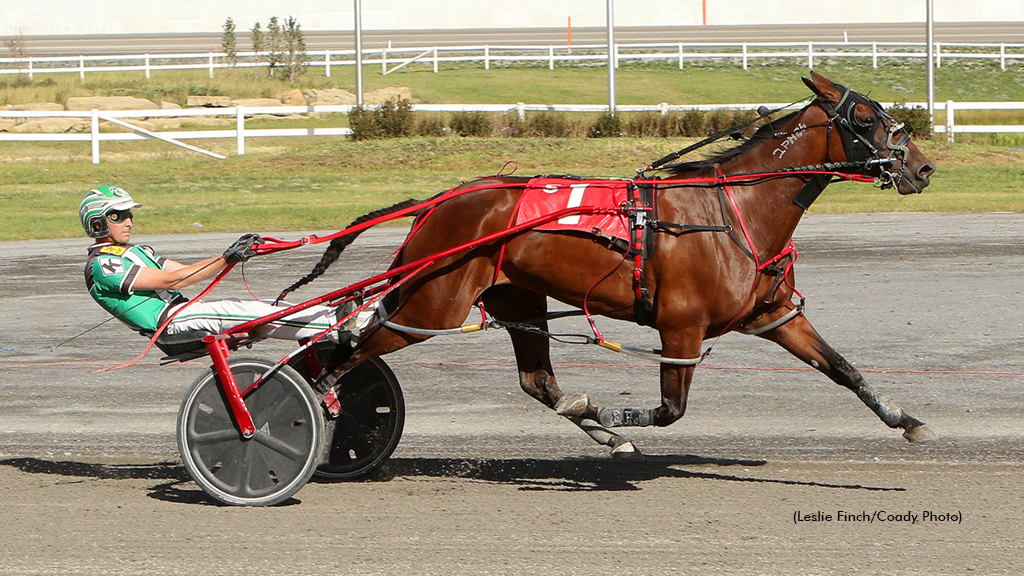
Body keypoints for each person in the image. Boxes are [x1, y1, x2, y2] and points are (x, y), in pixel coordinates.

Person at [81, 185, 352, 346]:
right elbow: (172, 281)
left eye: (129, 214)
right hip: (171, 322)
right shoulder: (103, 265)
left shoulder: (134, 251)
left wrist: (241, 253)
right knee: (248, 310)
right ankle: (338, 325)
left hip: (186, 311)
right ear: (97, 223)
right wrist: (227, 258)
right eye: (118, 216)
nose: (128, 221)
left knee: (267, 311)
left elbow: (183, 271)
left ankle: (333, 321)